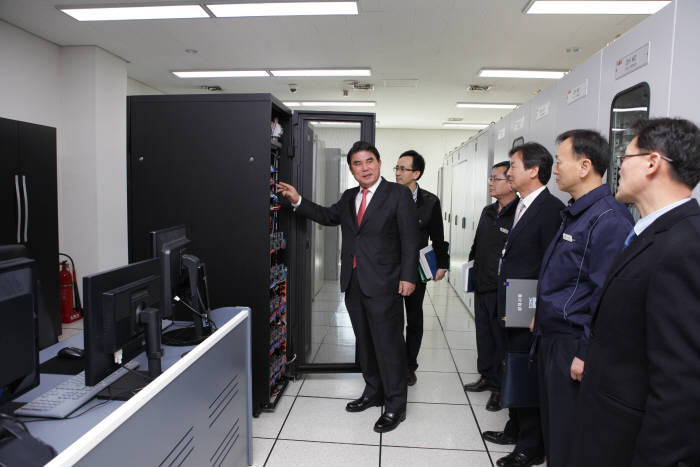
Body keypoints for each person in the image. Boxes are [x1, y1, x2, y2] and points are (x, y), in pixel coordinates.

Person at [569, 118, 700, 467]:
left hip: (631, 438)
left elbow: (681, 381)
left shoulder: (685, 245)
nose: (618, 169)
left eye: (625, 158)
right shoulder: (649, 232)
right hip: (608, 420)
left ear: (652, 162)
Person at [277, 141, 419, 434]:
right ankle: (373, 390)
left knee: (389, 344)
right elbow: (328, 216)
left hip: (386, 282)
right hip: (354, 282)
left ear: (379, 164)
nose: (364, 167)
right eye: (357, 163)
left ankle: (395, 404)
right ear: (351, 168)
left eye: (369, 161)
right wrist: (297, 200)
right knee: (365, 343)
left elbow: (409, 239)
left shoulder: (398, 194)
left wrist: (408, 277)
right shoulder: (349, 196)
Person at [532, 130, 633, 467]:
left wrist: (585, 352)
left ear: (585, 165)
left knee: (569, 434)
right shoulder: (577, 210)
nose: (555, 169)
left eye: (560, 161)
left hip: (573, 343)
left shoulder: (608, 218)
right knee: (554, 428)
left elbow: (605, 294)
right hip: (554, 333)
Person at [482, 142, 564, 467]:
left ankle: (531, 445)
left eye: (513, 166)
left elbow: (551, 266)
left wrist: (538, 310)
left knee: (525, 372)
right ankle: (514, 427)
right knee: (511, 365)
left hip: (529, 307)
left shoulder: (550, 209)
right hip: (512, 301)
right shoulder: (521, 205)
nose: (508, 172)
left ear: (533, 170)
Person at [463, 161, 518, 412]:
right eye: (491, 178)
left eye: (496, 179)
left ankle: (499, 388)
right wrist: (471, 274)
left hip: (502, 289)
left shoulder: (519, 212)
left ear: (511, 182)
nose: (491, 183)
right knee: (483, 334)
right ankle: (486, 376)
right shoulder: (488, 211)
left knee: (500, 339)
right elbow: (478, 244)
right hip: (482, 283)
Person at [394, 150, 449, 386]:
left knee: (414, 318)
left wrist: (442, 264)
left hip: (417, 269)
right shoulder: (388, 196)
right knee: (392, 318)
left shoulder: (430, 201)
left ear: (416, 173)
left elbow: (438, 235)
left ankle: (409, 365)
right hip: (391, 267)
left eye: (403, 169)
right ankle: (392, 363)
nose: (397, 173)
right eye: (396, 168)